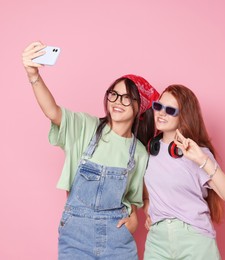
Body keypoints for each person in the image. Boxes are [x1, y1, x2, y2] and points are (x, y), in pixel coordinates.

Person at [22, 41, 160, 259]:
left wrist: (134, 219)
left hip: (117, 239)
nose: (117, 101)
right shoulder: (86, 126)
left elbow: (138, 198)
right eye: (113, 94)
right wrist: (33, 75)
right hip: (75, 235)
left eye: (126, 97)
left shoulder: (140, 152)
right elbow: (52, 111)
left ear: (139, 106)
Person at [143, 84, 225, 260]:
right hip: (157, 240)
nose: (161, 113)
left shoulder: (197, 153)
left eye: (170, 110)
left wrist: (202, 160)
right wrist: (148, 210)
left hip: (194, 238)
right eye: (158, 106)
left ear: (184, 115)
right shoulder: (150, 151)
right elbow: (147, 194)